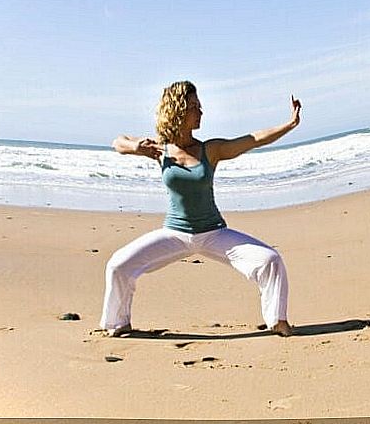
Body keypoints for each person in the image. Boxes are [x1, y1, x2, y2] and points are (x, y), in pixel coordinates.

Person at [99, 81, 301, 337]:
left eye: (199, 105)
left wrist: (290, 124)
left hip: (214, 234)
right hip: (174, 234)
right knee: (118, 266)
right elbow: (118, 142)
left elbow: (253, 140)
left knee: (270, 260)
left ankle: (277, 321)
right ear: (179, 110)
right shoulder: (160, 149)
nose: (201, 111)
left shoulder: (211, 149)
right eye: (194, 106)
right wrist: (135, 147)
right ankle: (118, 323)